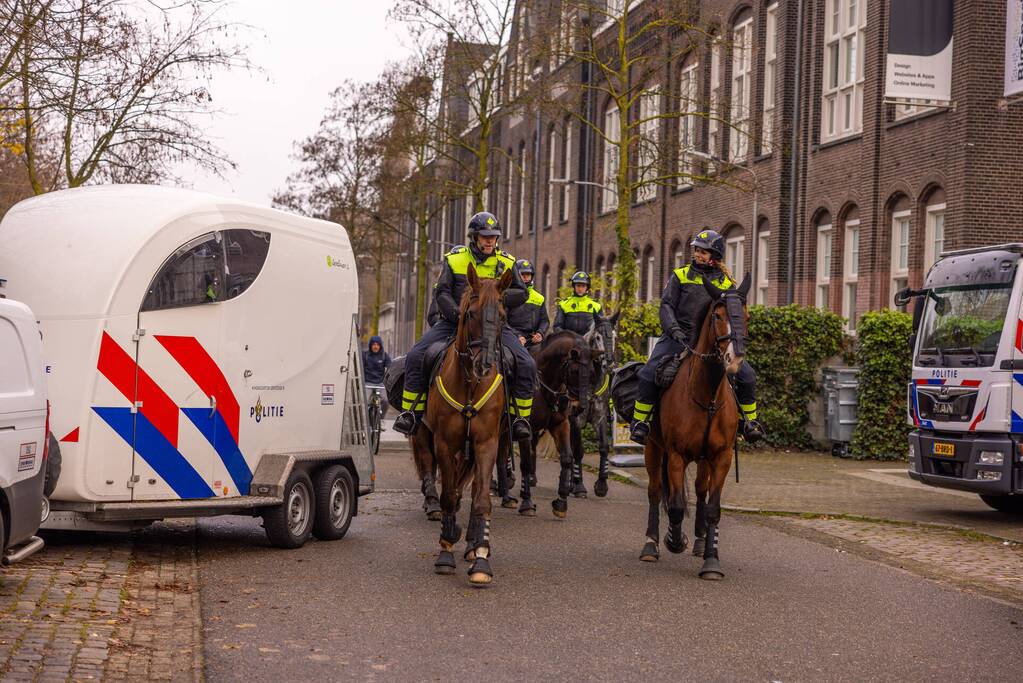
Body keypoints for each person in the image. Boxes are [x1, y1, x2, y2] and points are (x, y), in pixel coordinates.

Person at [393, 212, 536, 440]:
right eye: (485, 236)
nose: (490, 241)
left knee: (527, 363)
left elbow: (522, 292)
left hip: (493, 326)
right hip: (455, 323)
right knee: (416, 355)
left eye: (494, 237)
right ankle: (411, 412)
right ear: (475, 237)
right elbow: (442, 292)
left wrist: (493, 302)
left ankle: (518, 418)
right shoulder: (455, 259)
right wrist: (458, 314)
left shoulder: (507, 263)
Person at [629, 229, 765, 445]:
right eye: (697, 251)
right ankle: (641, 422)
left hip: (713, 343)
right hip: (677, 337)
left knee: (747, 375)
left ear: (715, 256)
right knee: (648, 372)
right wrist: (673, 329)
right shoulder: (680, 275)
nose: (698, 255)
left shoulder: (726, 283)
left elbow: (732, 315)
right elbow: (666, 305)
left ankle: (748, 422)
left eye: (704, 252)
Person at [507, 259, 549, 347]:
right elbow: (503, 322)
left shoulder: (539, 298)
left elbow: (544, 321)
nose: (526, 277)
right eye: (523, 274)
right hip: (513, 339)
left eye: (528, 274)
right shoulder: (509, 295)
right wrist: (517, 336)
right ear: (516, 275)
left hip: (534, 340)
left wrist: (540, 333)